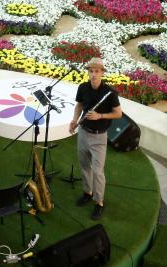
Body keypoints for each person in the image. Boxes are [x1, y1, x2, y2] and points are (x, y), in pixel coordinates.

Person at [69, 57, 122, 221]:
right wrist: (74, 120)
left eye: (97, 71)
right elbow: (79, 106)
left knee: (98, 172)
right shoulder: (83, 87)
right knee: (84, 165)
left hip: (99, 138)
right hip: (83, 132)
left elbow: (118, 113)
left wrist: (100, 115)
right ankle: (87, 192)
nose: (93, 74)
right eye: (91, 71)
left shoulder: (110, 93)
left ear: (102, 73)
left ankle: (99, 202)